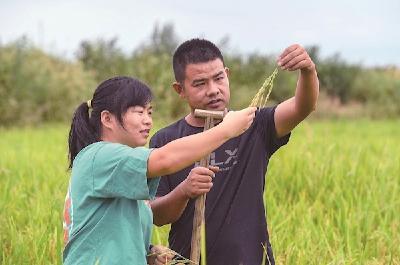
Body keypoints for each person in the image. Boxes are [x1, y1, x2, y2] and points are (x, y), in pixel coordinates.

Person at [149, 39, 319, 265]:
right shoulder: (166, 141)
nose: (213, 90)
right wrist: (184, 191)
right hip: (189, 260)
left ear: (227, 75)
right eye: (200, 83)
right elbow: (157, 216)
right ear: (180, 89)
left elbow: (302, 106)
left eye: (219, 78)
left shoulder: (253, 124)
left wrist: (308, 70)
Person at [62, 76, 256, 265]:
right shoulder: (100, 156)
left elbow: (112, 234)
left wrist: (149, 252)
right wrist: (226, 130)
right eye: (139, 112)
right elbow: (165, 159)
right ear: (107, 118)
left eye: (150, 112)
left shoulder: (119, 169)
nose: (148, 121)